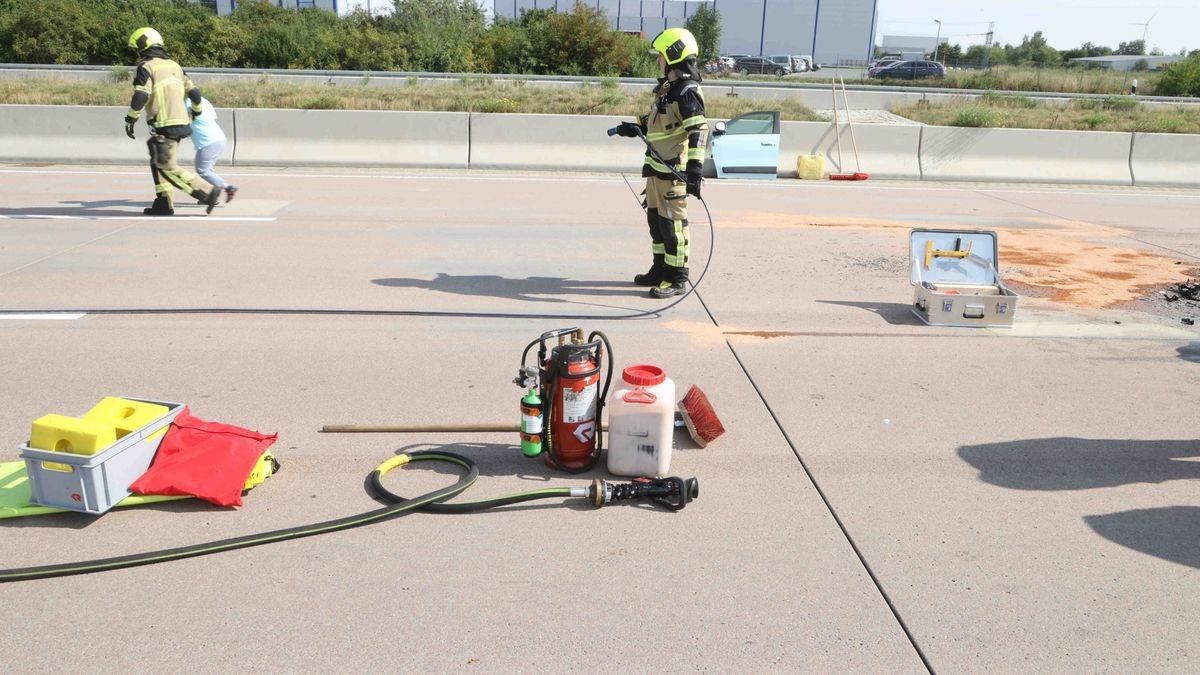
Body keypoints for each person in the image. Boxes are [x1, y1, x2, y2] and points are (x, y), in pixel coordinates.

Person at [614, 28, 709, 298]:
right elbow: (658, 121)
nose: (658, 60)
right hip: (656, 169)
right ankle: (659, 269)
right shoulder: (668, 88)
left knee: (672, 225)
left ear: (673, 55)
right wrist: (634, 127)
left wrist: (694, 172)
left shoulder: (687, 92)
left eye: (661, 55)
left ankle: (677, 277)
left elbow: (699, 131)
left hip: (673, 172)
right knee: (656, 222)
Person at [123, 27, 221, 216]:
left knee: (166, 166)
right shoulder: (174, 66)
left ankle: (208, 192)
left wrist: (130, 118)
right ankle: (163, 203)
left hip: (164, 123)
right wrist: (197, 111)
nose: (137, 53)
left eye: (137, 49)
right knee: (157, 161)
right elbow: (195, 92)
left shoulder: (147, 67)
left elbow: (141, 95)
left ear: (144, 46)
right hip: (180, 121)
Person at [188, 96, 238, 203]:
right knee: (208, 170)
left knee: (203, 170)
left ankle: (228, 187)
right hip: (218, 138)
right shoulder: (203, 100)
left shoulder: (186, 103)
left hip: (208, 141)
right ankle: (210, 195)